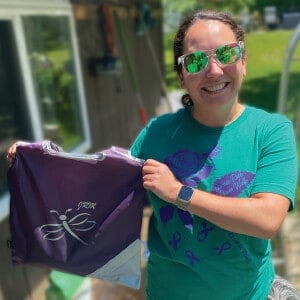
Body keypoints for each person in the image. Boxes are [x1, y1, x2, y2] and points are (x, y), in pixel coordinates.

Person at [6, 10, 299, 300]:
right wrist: (39, 166)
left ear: (243, 61)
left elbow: (267, 220)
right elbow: (103, 193)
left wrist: (178, 193)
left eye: (226, 54)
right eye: (196, 60)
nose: (213, 70)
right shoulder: (157, 134)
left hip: (249, 295)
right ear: (182, 77)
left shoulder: (270, 131)